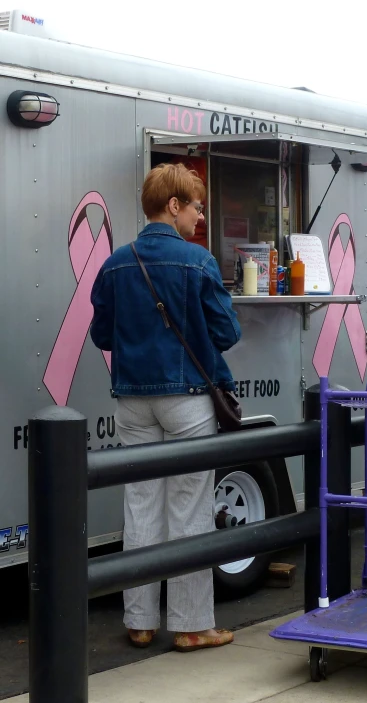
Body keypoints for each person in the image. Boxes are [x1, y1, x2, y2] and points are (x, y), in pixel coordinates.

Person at [90, 163, 241, 652]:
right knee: (190, 507)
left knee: (141, 506)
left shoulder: (115, 263)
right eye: (196, 206)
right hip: (187, 399)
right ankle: (192, 624)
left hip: (132, 399)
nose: (200, 216)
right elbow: (227, 333)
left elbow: (101, 334)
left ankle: (140, 621)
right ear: (174, 206)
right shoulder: (198, 262)